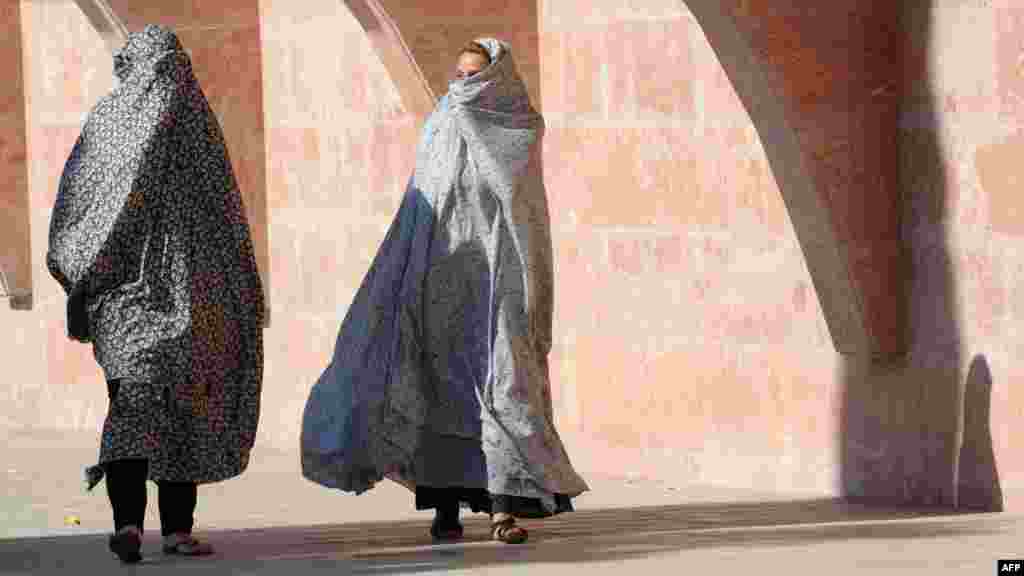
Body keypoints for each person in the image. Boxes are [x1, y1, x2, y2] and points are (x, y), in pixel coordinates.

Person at [301, 39, 588, 544]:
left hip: (497, 283)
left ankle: (503, 510)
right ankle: (445, 509)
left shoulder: (516, 125)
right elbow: (424, 201)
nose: (463, 86)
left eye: (474, 76)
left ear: (496, 79)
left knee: (503, 389)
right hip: (437, 279)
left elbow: (524, 212)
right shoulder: (440, 122)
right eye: (458, 75)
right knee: (439, 392)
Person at [46, 24, 265, 564]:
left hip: (134, 299)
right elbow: (230, 220)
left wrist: (79, 272)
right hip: (190, 296)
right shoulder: (194, 122)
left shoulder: (116, 118)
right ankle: (170, 530)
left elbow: (82, 205)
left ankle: (135, 525)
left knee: (133, 408)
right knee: (176, 411)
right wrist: (244, 291)